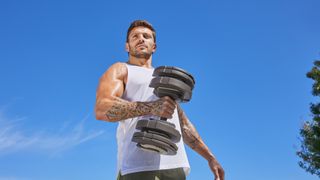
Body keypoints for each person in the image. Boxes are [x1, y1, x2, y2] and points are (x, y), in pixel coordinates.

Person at [95, 20, 224, 180]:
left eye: (146, 36)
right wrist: (151, 107)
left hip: (175, 166)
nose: (141, 39)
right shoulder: (122, 69)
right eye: (135, 36)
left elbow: (183, 124)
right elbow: (102, 108)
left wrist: (210, 157)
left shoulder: (165, 79)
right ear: (127, 46)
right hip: (137, 167)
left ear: (154, 46)